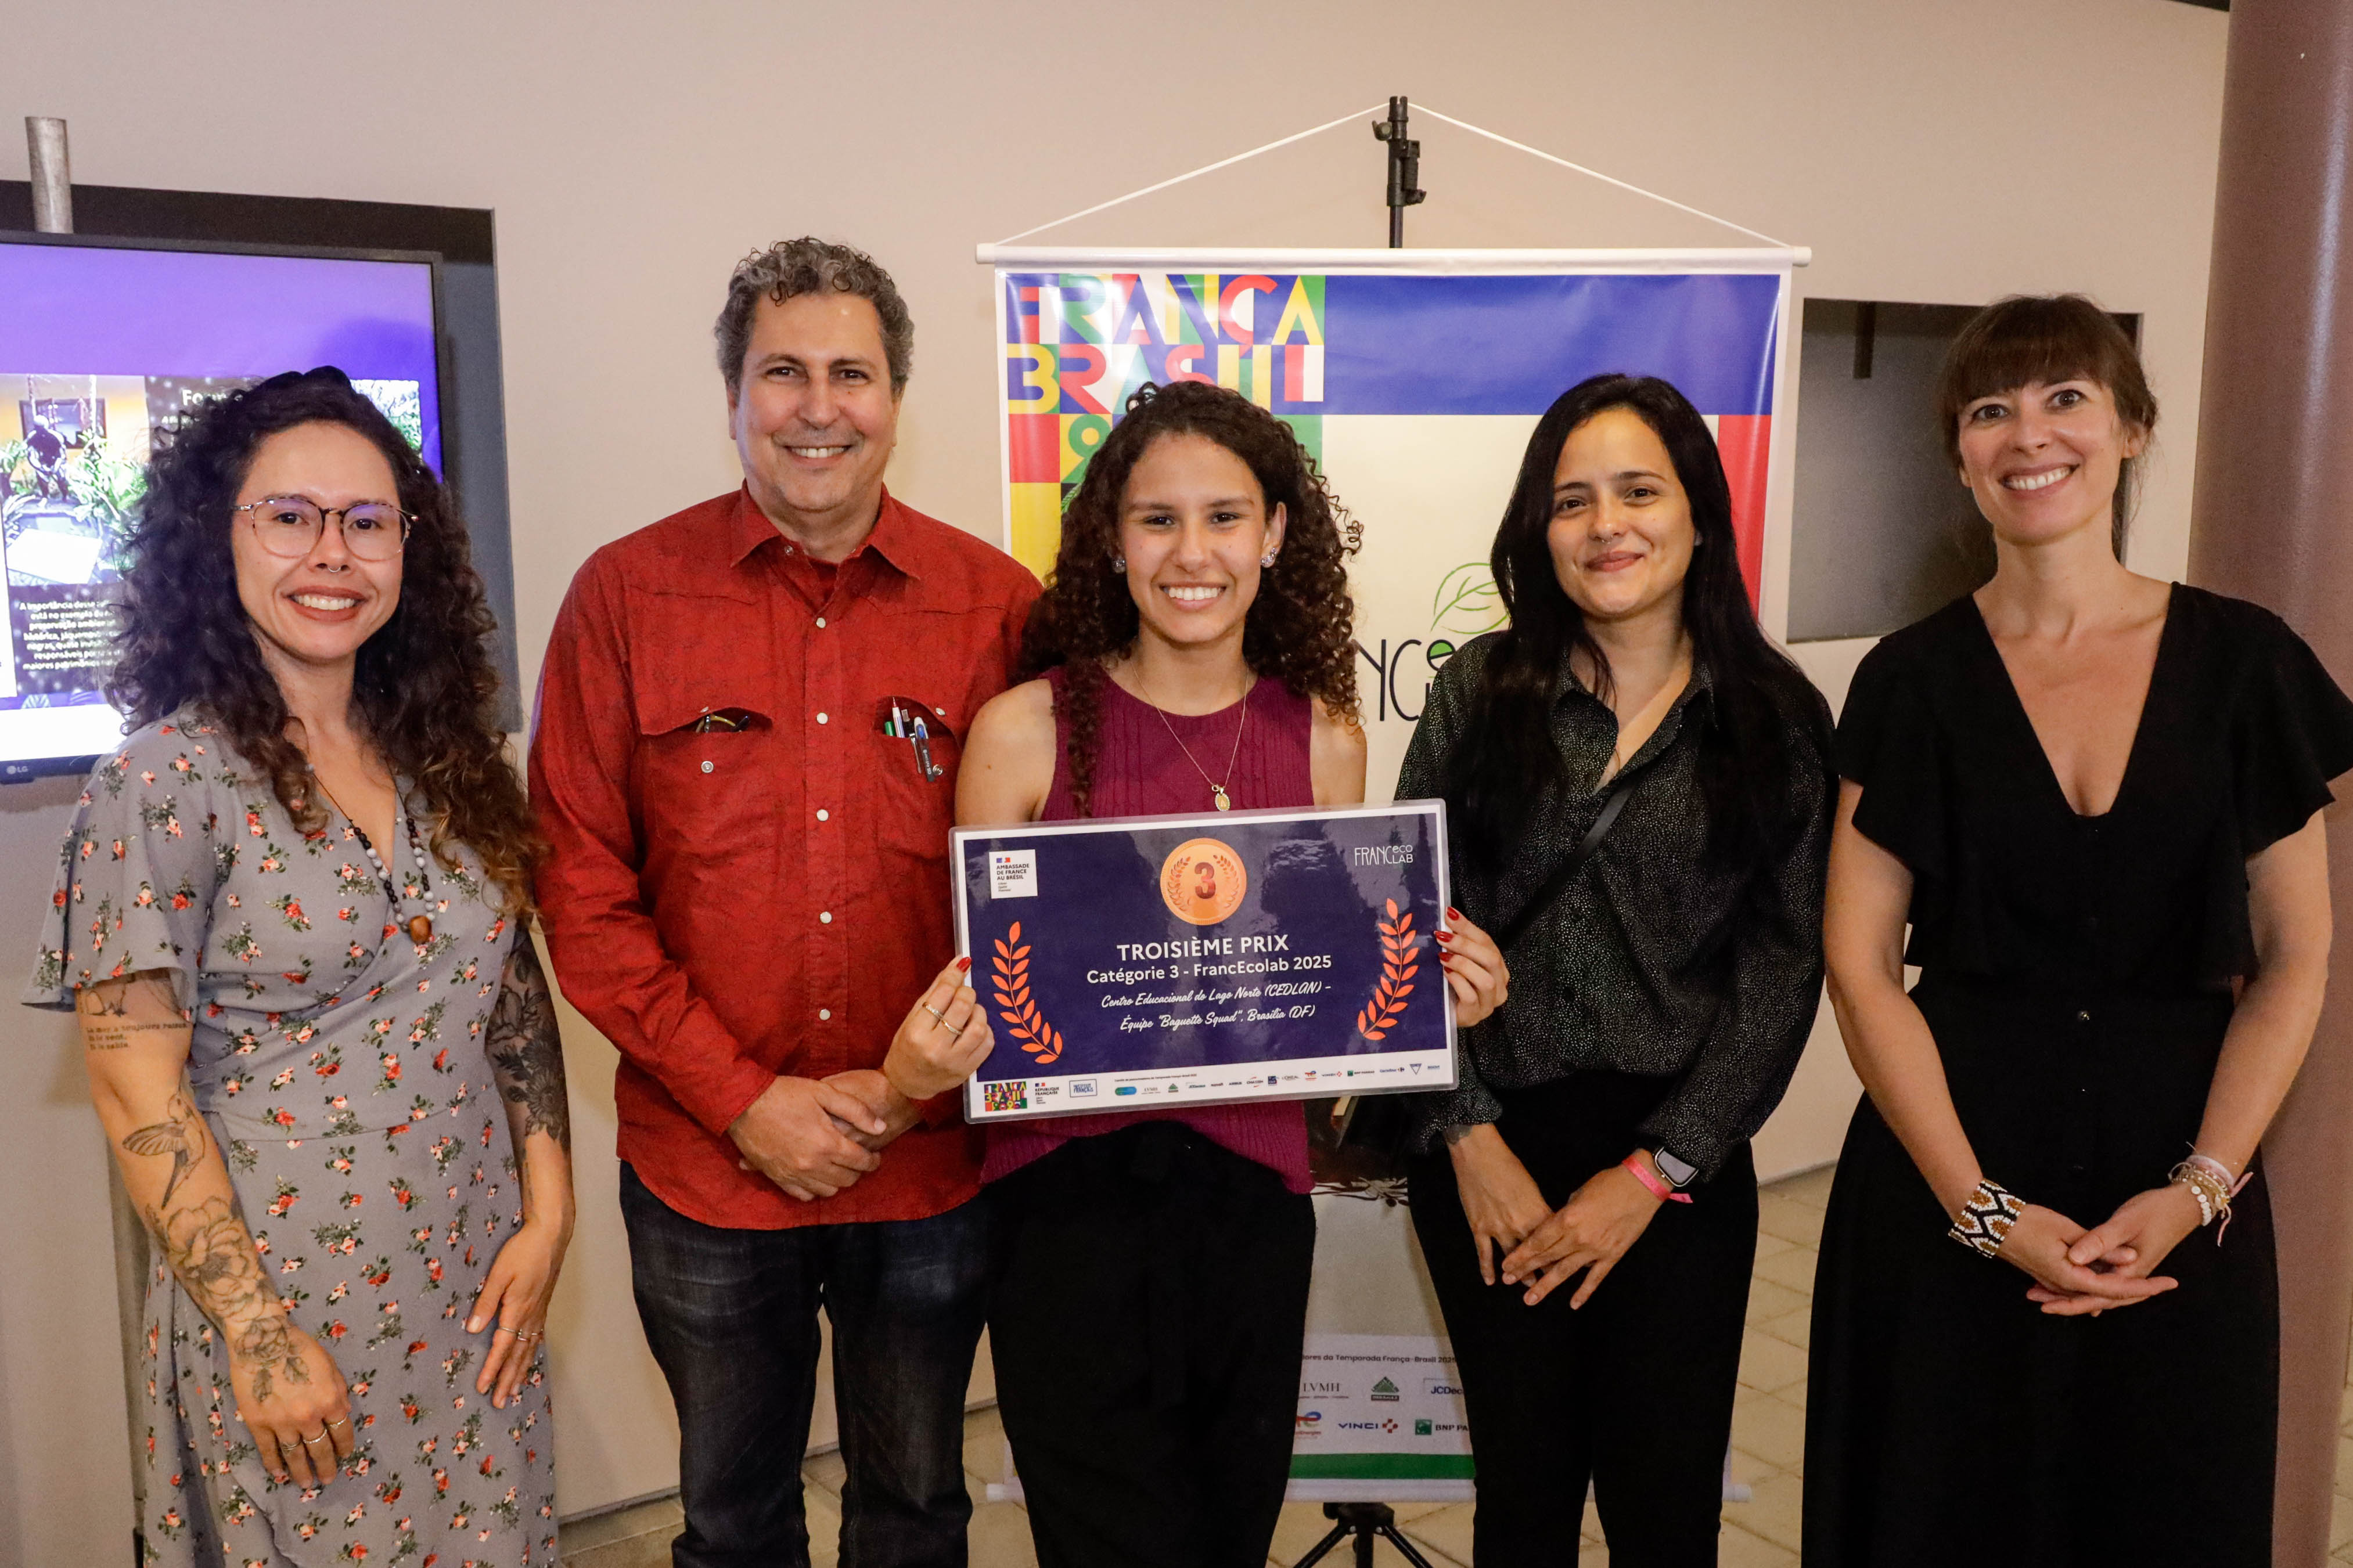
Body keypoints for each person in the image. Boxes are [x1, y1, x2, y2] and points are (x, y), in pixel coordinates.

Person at [1803, 295, 2353, 1566]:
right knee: (1940, 1516)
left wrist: (2198, 1187)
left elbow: (2296, 958)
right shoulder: (1910, 678)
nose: (2026, 434)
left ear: (2131, 431)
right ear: (1958, 454)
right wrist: (1981, 1209)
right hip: (1950, 1166)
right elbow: (1858, 960)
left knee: (2165, 1511)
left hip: (2184, 1177)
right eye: (1989, 409)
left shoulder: (2246, 663)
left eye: (2064, 399)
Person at [530, 238, 1034, 1568]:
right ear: (735, 395)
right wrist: (745, 1097)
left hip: (930, 1164)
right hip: (707, 1168)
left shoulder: (998, 606)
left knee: (917, 1511)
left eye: (852, 374)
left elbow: (1048, 887)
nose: (819, 406)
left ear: (896, 397)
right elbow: (578, 883)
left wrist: (901, 1092)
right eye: (783, 373)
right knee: (732, 1518)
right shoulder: (625, 596)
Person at [956, 379, 1507, 1567]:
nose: (1190, 552)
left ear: (1274, 534)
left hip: (1252, 1203)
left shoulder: (1320, 738)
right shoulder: (1024, 729)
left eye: (1224, 516)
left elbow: (1319, 980)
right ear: (1111, 540)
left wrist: (1435, 981)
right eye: (1157, 519)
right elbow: (980, 993)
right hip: (1064, 1210)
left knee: (1225, 1535)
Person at [27, 367, 572, 1566]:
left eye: (367, 522)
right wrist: (260, 1336)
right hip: (291, 1322)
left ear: (408, 552)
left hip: (478, 1298)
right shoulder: (159, 785)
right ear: (213, 537)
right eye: (289, 515)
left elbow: (508, 993)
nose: (333, 553)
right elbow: (137, 1091)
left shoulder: (445, 759)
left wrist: (550, 1207)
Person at [1398, 373, 1833, 1566]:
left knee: (1665, 1507)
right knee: (1522, 1501)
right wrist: (1470, 1138)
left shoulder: (1775, 721)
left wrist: (1651, 1176)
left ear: (1698, 511)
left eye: (1638, 491)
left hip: (1677, 1163)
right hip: (1490, 1151)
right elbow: (1401, 928)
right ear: (1537, 529)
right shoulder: (1477, 693)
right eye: (1571, 500)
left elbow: (1781, 972)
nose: (1606, 527)